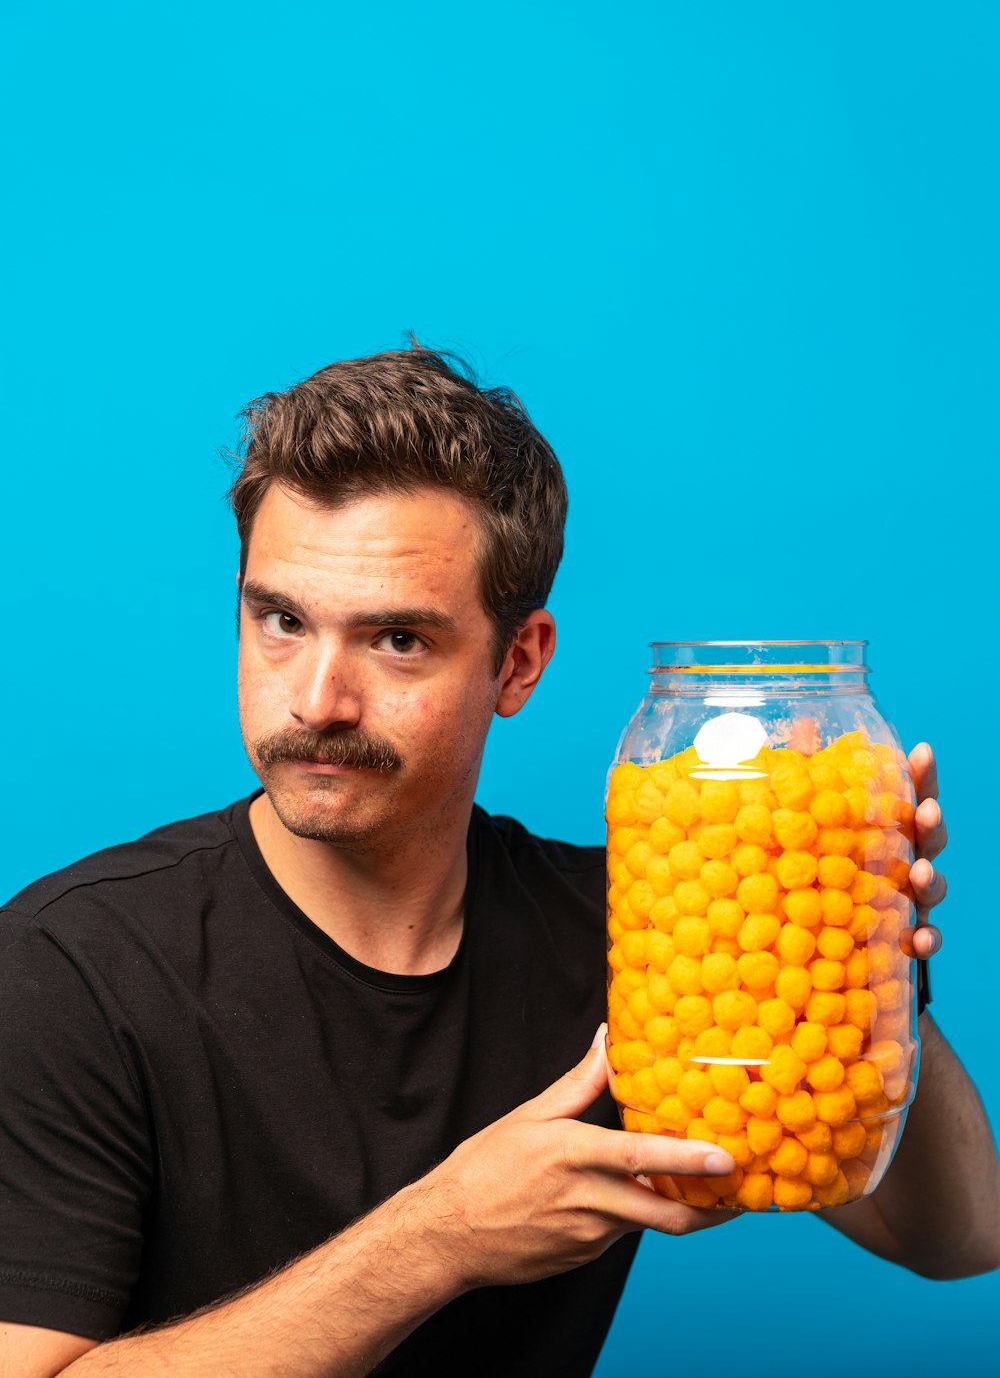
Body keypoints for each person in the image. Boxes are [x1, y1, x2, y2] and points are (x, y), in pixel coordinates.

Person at [1, 344, 997, 1378]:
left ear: (517, 662)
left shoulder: (634, 944)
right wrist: (440, 1239)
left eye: (396, 640)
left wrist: (866, 974)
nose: (316, 700)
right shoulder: (67, 972)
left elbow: (960, 1237)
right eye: (282, 621)